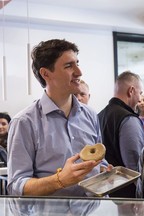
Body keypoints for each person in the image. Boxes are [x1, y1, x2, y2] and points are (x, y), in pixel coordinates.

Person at [7, 39, 110, 196]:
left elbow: (99, 162)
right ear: (46, 73)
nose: (79, 72)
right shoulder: (25, 122)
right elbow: (17, 186)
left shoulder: (90, 115)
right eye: (69, 66)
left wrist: (105, 171)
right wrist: (60, 180)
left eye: (77, 63)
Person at [98, 70, 144, 198]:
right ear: (131, 91)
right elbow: (135, 166)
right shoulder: (129, 119)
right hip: (126, 197)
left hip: (105, 193)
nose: (140, 99)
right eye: (140, 93)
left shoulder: (99, 116)